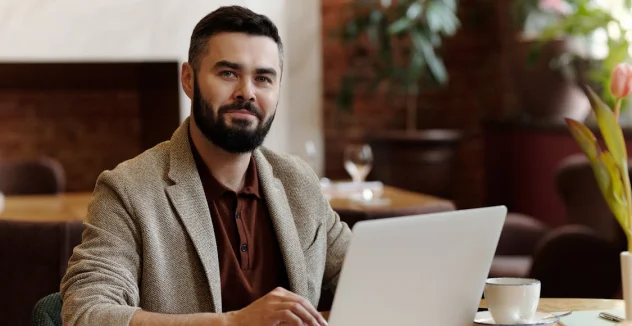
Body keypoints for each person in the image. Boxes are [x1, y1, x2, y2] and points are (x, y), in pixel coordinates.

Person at [60, 5, 351, 326]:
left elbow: (372, 273)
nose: (247, 92)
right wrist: (231, 323)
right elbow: (85, 313)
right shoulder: (128, 189)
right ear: (189, 79)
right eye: (228, 73)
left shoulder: (298, 181)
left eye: (263, 78)